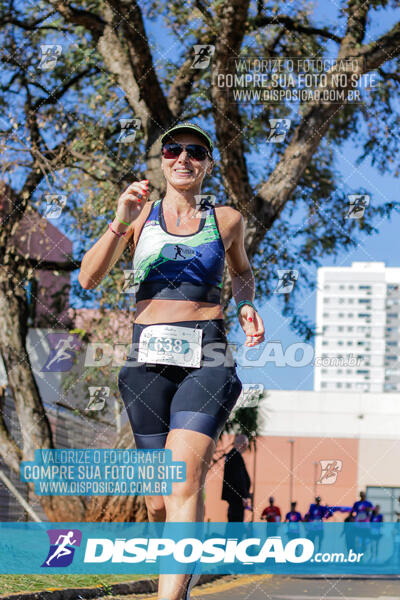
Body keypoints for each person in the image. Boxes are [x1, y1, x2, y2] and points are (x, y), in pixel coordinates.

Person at [78, 122, 265, 600]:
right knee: (158, 499)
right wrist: (120, 217)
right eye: (173, 150)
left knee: (183, 480)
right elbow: (88, 279)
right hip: (146, 359)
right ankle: (178, 566)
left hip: (208, 354)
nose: (183, 158)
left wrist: (245, 303)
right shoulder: (141, 217)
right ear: (162, 160)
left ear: (207, 163)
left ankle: (171, 595)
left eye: (194, 152)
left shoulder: (226, 220)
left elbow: (242, 273)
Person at [221, 434, 252, 522]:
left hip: (234, 498)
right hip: (237, 499)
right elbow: (239, 479)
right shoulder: (235, 457)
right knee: (236, 525)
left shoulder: (231, 455)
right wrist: (243, 496)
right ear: (244, 444)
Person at [351, 491, 373, 555]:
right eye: (362, 495)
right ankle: (357, 553)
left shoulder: (368, 503)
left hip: (365, 523)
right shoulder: (356, 503)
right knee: (357, 539)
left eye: (364, 495)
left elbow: (371, 512)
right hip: (358, 522)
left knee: (365, 539)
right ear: (360, 496)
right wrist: (353, 518)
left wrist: (368, 511)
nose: (363, 497)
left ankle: (363, 553)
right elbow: (353, 512)